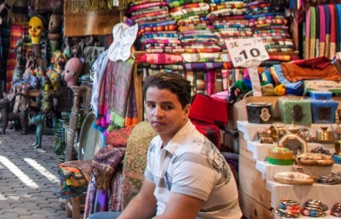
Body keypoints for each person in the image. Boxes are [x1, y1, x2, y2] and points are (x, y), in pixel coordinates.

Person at [90, 72, 240, 219]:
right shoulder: (157, 143)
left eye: (167, 107)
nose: (157, 114)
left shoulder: (194, 156)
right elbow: (145, 200)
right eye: (151, 105)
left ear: (186, 111)